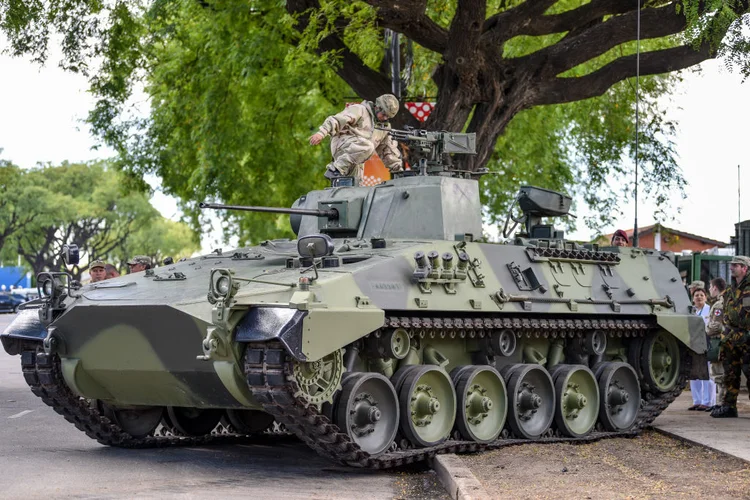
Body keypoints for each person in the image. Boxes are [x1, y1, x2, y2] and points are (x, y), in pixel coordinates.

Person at [308, 94, 403, 183]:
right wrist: (321, 133)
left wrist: (399, 171)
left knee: (355, 185)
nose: (385, 118)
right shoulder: (360, 110)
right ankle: (334, 169)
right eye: (384, 114)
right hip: (343, 144)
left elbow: (387, 151)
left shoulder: (383, 128)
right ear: (377, 107)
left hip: (357, 157)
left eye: (388, 117)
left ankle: (338, 181)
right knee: (368, 146)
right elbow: (337, 120)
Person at [712, 255, 750, 418]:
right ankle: (729, 406)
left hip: (748, 337)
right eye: (731, 265)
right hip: (731, 338)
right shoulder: (730, 290)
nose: (731, 267)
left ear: (744, 268)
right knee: (730, 374)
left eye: (735, 265)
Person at [687, 287, 714, 411]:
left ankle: (708, 401)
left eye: (701, 295)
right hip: (693, 344)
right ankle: (697, 400)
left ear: (706, 297)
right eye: (696, 295)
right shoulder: (691, 311)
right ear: (693, 298)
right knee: (694, 375)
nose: (699, 297)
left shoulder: (710, 310)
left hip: (706, 343)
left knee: (707, 375)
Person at [707, 277, 727, 413]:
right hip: (720, 341)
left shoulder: (719, 305)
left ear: (715, 288)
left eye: (710, 287)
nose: (709, 290)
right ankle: (720, 402)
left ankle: (722, 403)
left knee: (720, 374)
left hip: (718, 342)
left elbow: (716, 326)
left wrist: (705, 331)